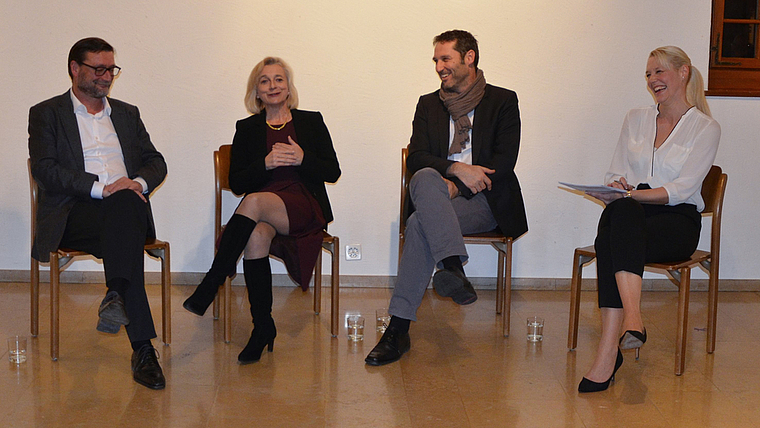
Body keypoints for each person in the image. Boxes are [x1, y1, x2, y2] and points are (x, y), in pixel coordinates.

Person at [365, 30, 528, 366]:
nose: (439, 66)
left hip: (485, 201)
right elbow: (417, 157)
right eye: (436, 60)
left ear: (469, 58)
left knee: (418, 222)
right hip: (436, 194)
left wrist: (459, 185)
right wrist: (456, 169)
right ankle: (452, 266)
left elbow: (503, 163)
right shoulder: (429, 104)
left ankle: (398, 330)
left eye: (445, 59)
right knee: (425, 177)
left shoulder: (503, 101)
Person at [28, 38, 168, 389]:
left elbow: (156, 162)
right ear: (75, 69)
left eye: (112, 69)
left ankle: (117, 296)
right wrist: (98, 187)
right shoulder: (46, 113)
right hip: (74, 213)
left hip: (124, 209)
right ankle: (142, 348)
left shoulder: (126, 113)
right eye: (99, 69)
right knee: (124, 214)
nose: (107, 77)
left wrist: (135, 182)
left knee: (126, 200)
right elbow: (45, 170)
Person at [579, 46, 720, 393]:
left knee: (613, 229)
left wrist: (631, 196)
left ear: (683, 72)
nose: (653, 80)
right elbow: (616, 170)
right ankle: (631, 322)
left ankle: (609, 352)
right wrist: (617, 186)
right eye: (648, 74)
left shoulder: (706, 127)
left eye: (659, 72)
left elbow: (682, 188)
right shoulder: (635, 118)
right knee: (620, 216)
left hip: (678, 222)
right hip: (633, 214)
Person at [183, 57, 341, 364]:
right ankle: (263, 327)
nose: (273, 86)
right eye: (265, 81)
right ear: (256, 91)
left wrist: (302, 158)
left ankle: (212, 281)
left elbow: (332, 172)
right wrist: (265, 164)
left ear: (288, 86)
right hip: (265, 205)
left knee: (254, 202)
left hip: (303, 204)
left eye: (279, 79)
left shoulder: (311, 121)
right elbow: (238, 182)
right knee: (255, 236)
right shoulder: (247, 128)